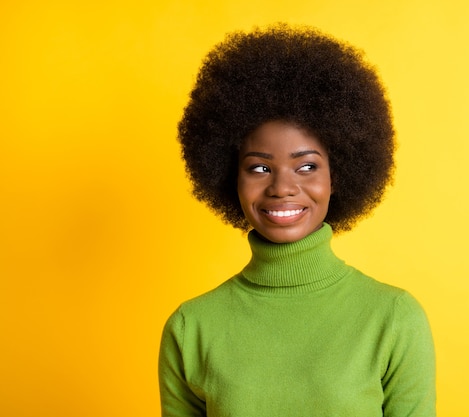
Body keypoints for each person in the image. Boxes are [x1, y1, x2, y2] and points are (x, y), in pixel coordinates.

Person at [159, 23, 436, 417]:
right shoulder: (191, 328)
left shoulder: (393, 318)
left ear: (337, 176)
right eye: (259, 168)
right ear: (229, 176)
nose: (282, 188)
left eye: (306, 166)